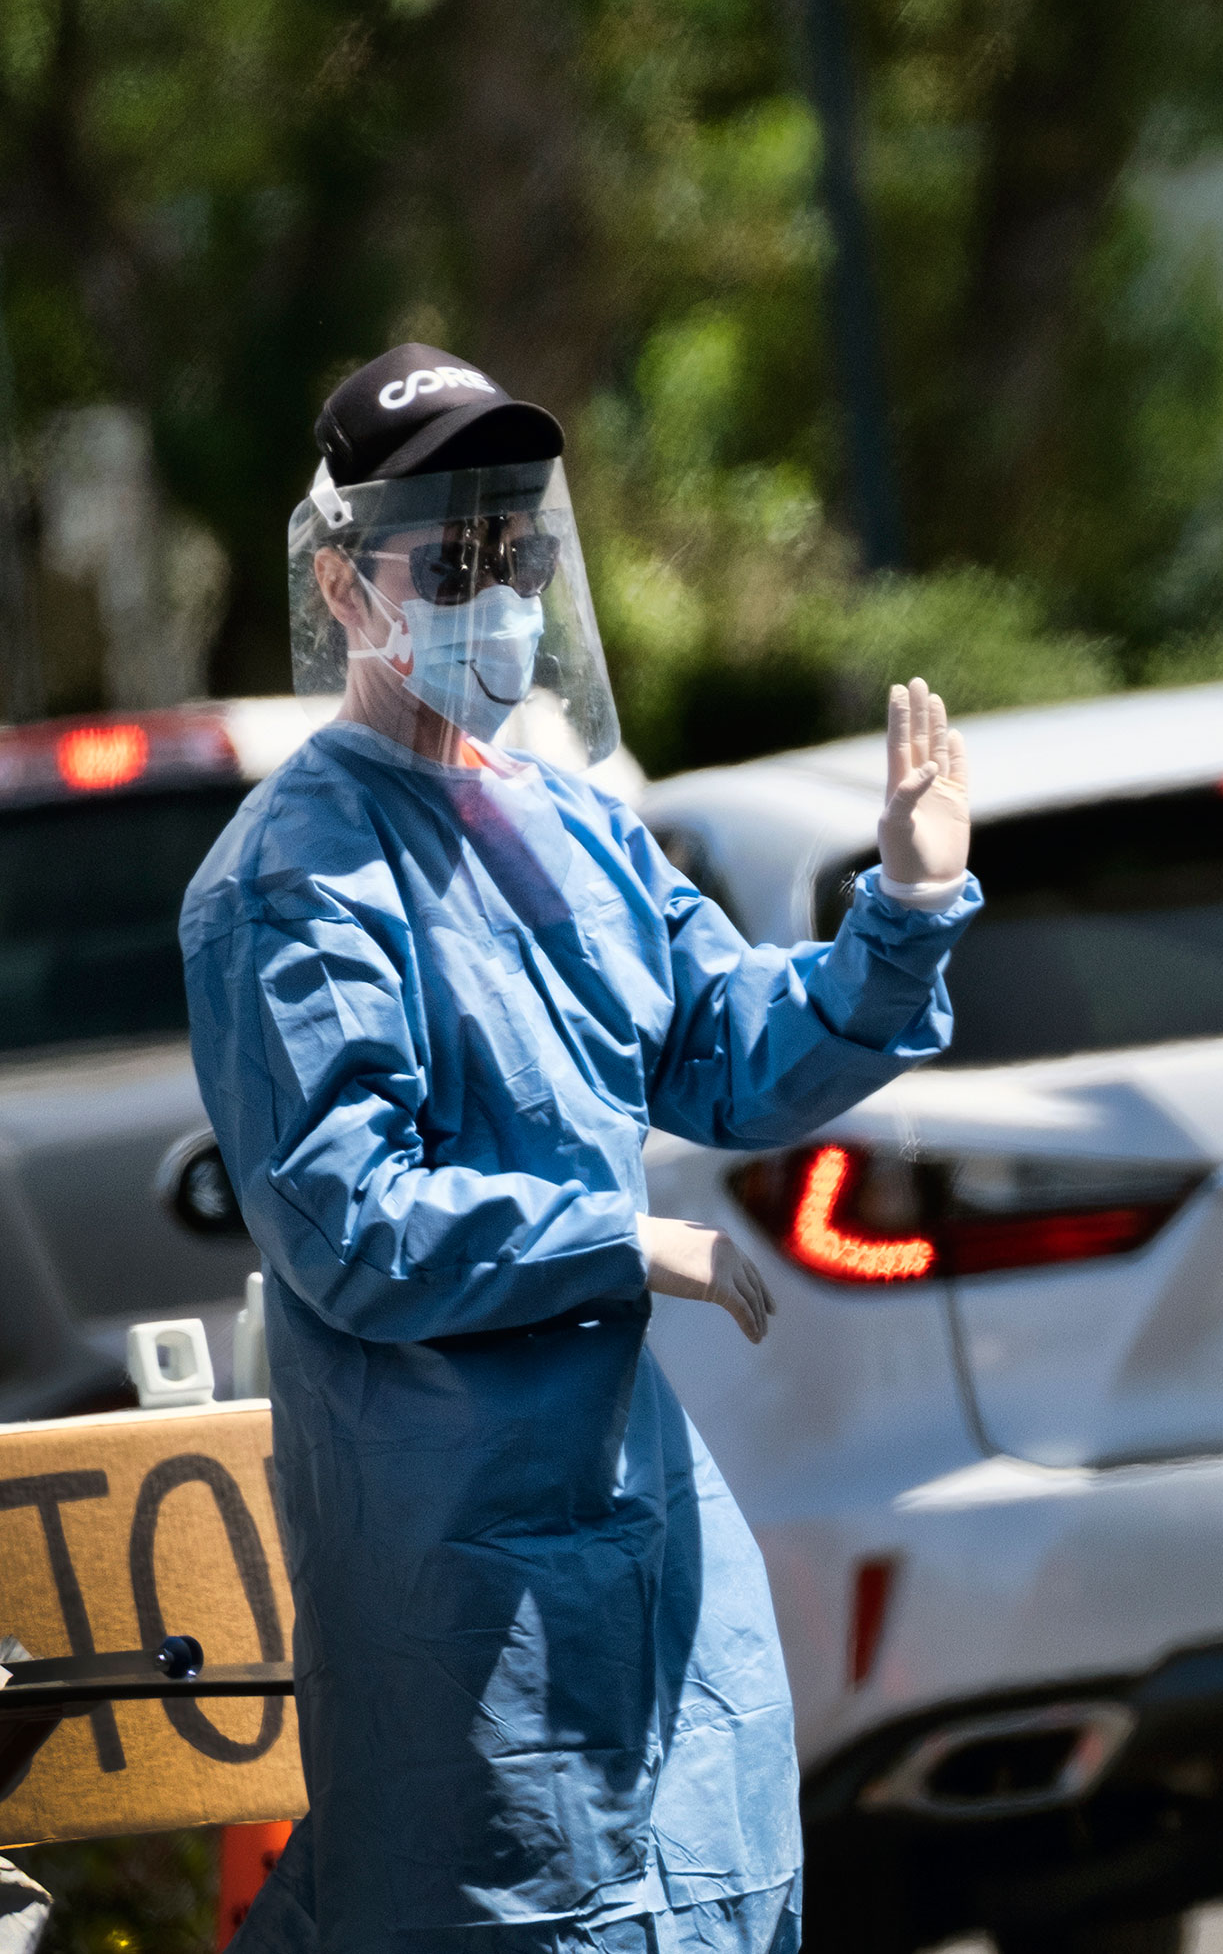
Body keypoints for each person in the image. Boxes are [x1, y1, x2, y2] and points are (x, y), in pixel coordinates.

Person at [181, 344, 982, 1953]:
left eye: (519, 553)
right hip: (463, 1598)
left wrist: (897, 916)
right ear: (344, 590)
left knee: (719, 1899)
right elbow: (348, 1218)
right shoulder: (294, 881)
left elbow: (728, 1051)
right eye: (451, 561)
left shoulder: (571, 828)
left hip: (651, 1551)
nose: (498, 592)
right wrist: (609, 1236)